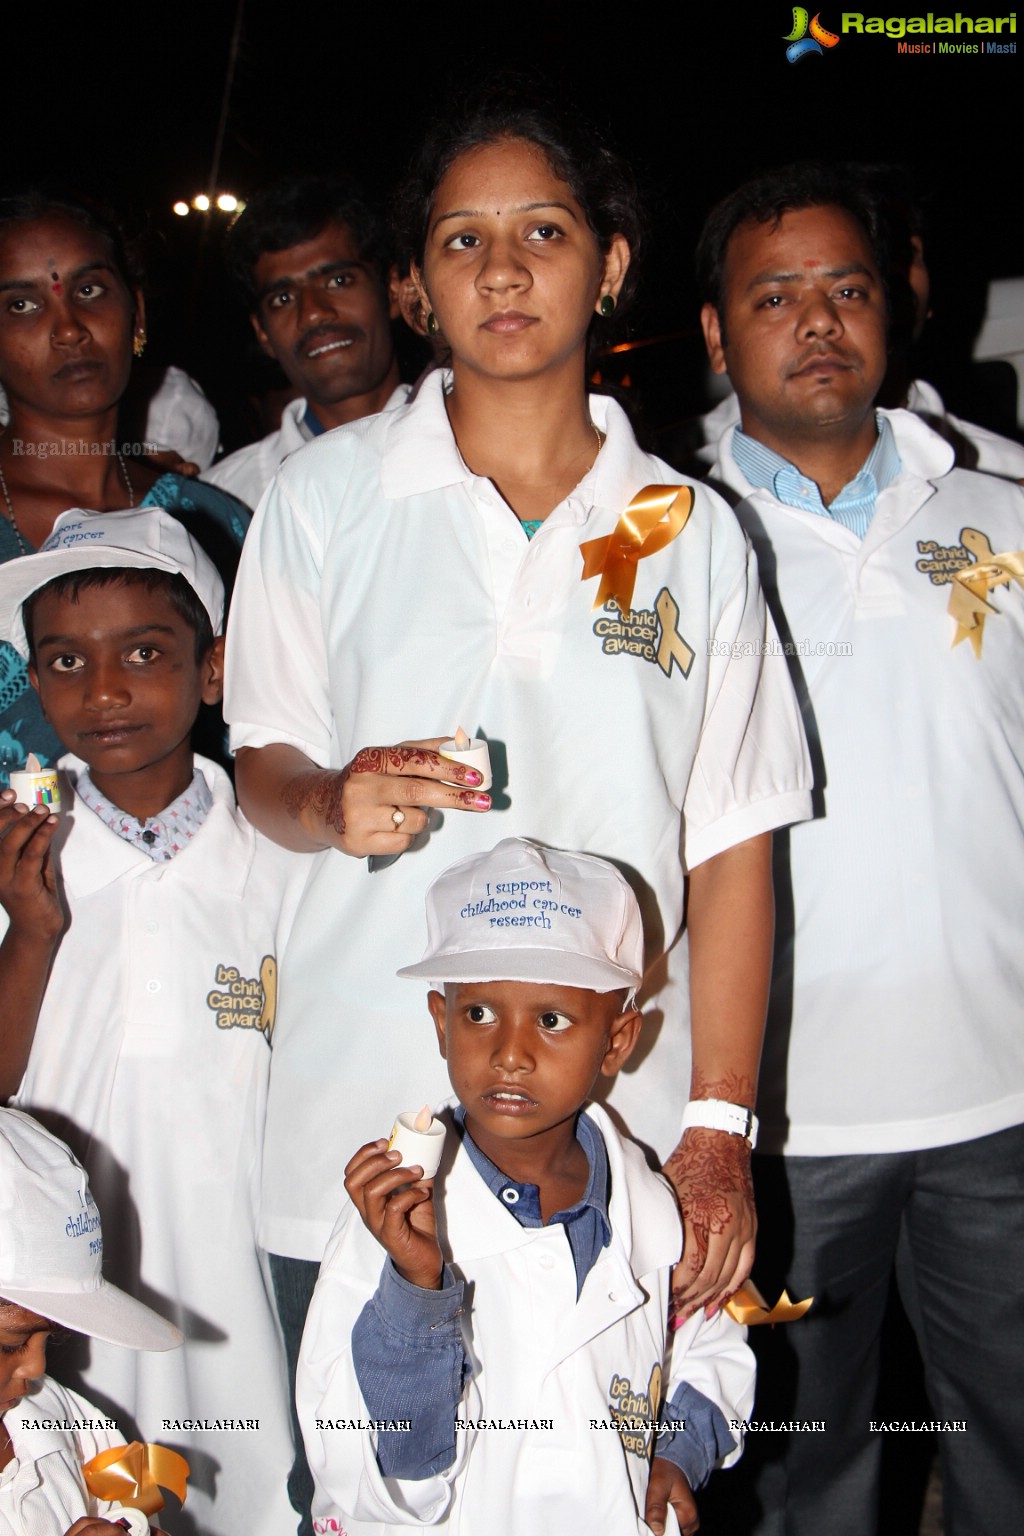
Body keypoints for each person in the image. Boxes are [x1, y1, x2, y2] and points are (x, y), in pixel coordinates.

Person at [224, 90, 811, 1535]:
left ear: (609, 264)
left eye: (544, 231)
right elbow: (263, 769)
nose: (503, 270)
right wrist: (329, 801)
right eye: (462, 239)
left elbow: (733, 842)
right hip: (367, 1119)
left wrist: (718, 1126)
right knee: (373, 1490)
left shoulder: (690, 532)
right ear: (415, 286)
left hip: (614, 1135)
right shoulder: (325, 499)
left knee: (624, 1485)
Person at [695, 161, 1024, 1535]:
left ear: (895, 311)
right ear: (717, 334)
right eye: (777, 296)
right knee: (798, 1475)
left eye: (847, 289)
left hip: (1001, 1105)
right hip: (780, 1127)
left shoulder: (1001, 515)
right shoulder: (663, 538)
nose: (818, 320)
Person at [298, 839, 755, 1536]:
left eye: (551, 1020)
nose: (510, 1053)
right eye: (478, 1013)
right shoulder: (395, 1222)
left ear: (617, 1040)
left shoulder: (654, 1214)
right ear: (439, 1023)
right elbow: (377, 1474)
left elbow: (710, 1347)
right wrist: (418, 1292)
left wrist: (677, 1451)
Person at [0, 508, 305, 1536]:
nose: (105, 690)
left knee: (249, 1496)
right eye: (65, 661)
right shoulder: (18, 857)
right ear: (33, 684)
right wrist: (31, 931)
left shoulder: (283, 860)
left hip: (239, 1284)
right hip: (59, 1298)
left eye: (144, 651)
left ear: (213, 669)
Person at [0, 191, 249, 788]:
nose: (67, 329)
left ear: (136, 313)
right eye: (22, 304)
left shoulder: (216, 524)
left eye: (88, 291)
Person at [0, 1105, 183, 1536]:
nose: (37, 1368)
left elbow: (134, 1487)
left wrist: (134, 1523)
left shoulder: (52, 1410)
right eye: (11, 1344)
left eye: (49, 1338)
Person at [205, 175, 408, 510]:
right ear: (263, 333)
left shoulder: (477, 452)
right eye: (283, 298)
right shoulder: (226, 501)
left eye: (338, 281)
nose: (313, 313)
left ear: (393, 290)